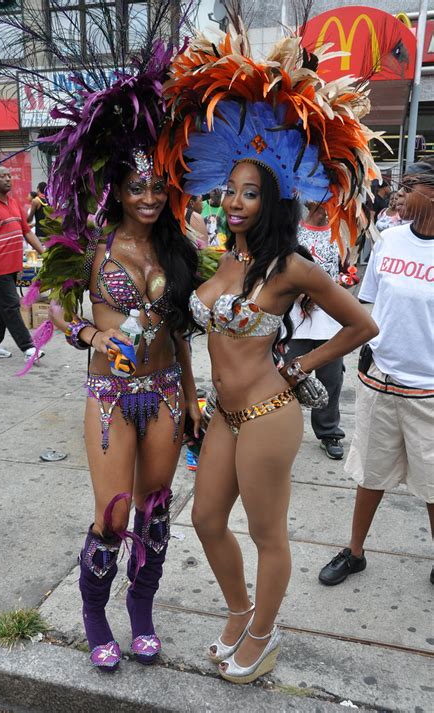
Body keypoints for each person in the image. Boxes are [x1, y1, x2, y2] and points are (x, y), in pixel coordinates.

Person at [158, 23, 380, 684]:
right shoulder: (229, 255)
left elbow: (361, 325)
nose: (234, 201)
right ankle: (238, 609)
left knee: (267, 534)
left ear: (273, 199)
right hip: (222, 414)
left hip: (268, 413)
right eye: (230, 190)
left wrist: (300, 365)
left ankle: (264, 630)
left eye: (249, 192)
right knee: (203, 518)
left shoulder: (291, 265)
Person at [27, 43, 201, 671]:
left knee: (154, 514)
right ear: (119, 191)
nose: (149, 197)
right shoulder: (89, 250)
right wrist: (91, 337)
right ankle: (95, 613)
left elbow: (180, 330)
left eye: (157, 186)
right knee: (114, 514)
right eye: (137, 188)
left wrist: (193, 397)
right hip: (108, 397)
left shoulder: (181, 251)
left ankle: (142, 611)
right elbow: (50, 312)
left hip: (165, 392)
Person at [318, 161, 434, 587]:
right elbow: (371, 307)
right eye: (399, 187)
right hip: (379, 380)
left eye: (410, 187)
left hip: (429, 390)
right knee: (371, 474)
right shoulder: (390, 241)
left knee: (433, 485)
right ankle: (354, 552)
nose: (398, 195)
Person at [286, 202, 345, 460]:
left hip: (330, 321)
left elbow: (345, 269)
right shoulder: (291, 230)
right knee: (287, 380)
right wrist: (297, 293)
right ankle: (283, 432)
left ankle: (328, 432)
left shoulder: (341, 229)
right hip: (295, 321)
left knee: (331, 379)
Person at [0, 166, 45, 361]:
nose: (8, 179)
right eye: (3, 176)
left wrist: (45, 253)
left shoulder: (13, 202)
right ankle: (28, 347)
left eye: (10, 175)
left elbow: (27, 231)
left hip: (13, 266)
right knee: (11, 305)